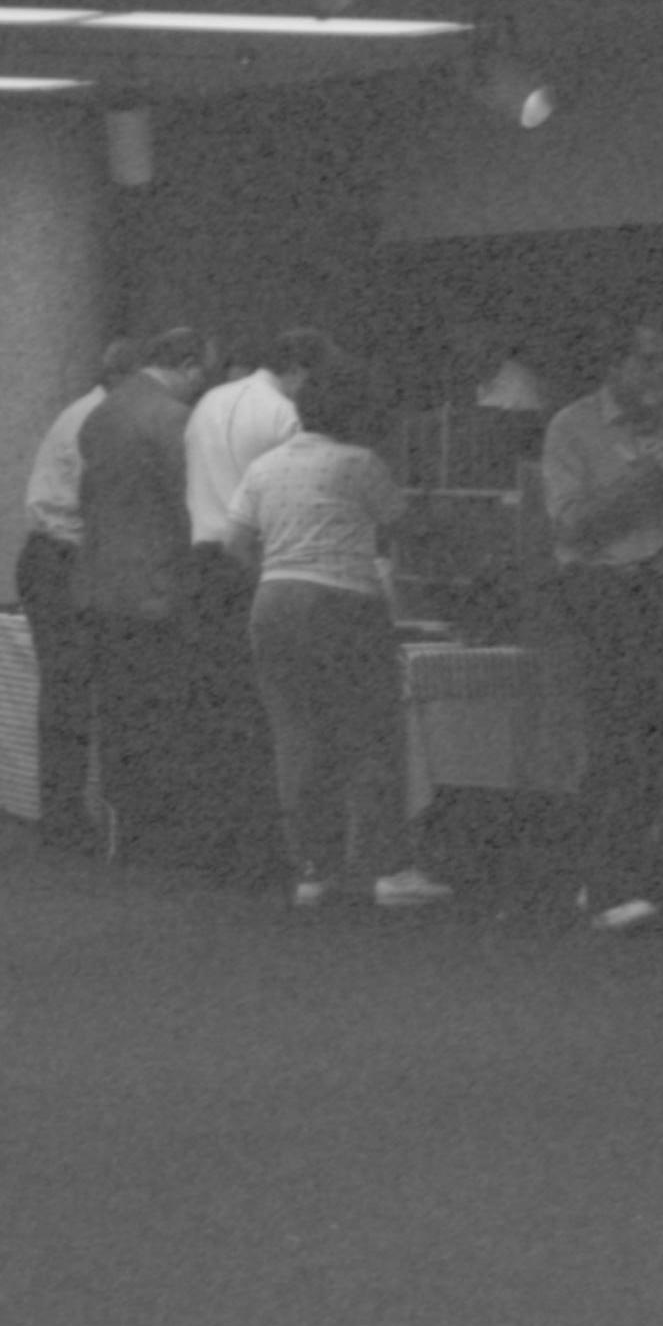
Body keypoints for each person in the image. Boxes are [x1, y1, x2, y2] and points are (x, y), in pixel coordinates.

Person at [227, 354, 450, 911]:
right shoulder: (360, 464)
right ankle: (386, 869)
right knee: (369, 735)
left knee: (296, 737)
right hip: (343, 602)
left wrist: (277, 572)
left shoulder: (265, 466)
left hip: (272, 602)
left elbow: (236, 543)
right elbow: (409, 532)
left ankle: (311, 868)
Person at [541, 318, 663, 935]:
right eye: (648, 362)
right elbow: (570, 526)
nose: (661, 375)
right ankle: (602, 885)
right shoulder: (572, 427)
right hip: (601, 593)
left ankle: (656, 881)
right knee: (614, 737)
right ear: (615, 366)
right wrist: (645, 477)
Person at [183, 329, 337, 882]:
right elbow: (290, 500)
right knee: (272, 713)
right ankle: (269, 846)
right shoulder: (283, 417)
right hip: (255, 565)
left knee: (215, 707)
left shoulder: (207, 402)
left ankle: (214, 841)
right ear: (297, 369)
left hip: (201, 565)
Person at [65, 326, 212, 861]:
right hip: (157, 582)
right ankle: (164, 830)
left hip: (102, 580)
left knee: (120, 710)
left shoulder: (103, 412)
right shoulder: (172, 418)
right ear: (189, 365)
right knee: (163, 710)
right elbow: (188, 502)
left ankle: (122, 826)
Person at [15, 339, 128, 854]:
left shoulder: (85, 411)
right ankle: (63, 815)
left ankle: (62, 810)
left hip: (51, 556)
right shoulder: (100, 422)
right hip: (64, 559)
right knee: (68, 690)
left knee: (65, 690)